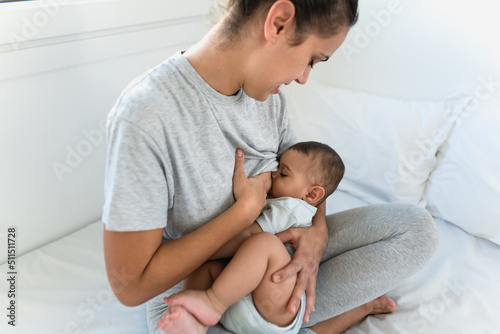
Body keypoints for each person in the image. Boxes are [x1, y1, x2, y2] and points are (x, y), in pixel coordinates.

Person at [102, 1, 439, 334]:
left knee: (416, 229)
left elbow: (310, 180)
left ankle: (294, 321)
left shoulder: (268, 98)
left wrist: (316, 236)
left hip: (277, 274)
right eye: (311, 59)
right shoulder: (146, 115)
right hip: (198, 290)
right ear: (278, 23)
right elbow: (130, 286)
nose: (304, 77)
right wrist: (242, 214)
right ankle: (342, 314)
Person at [158, 141, 347, 333]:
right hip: (240, 299)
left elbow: (249, 233)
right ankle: (194, 318)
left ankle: (211, 304)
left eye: (283, 173)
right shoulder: (284, 199)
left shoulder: (292, 208)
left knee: (263, 242)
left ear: (312, 194)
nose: (274, 174)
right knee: (206, 269)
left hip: (276, 302)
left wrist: (201, 254)